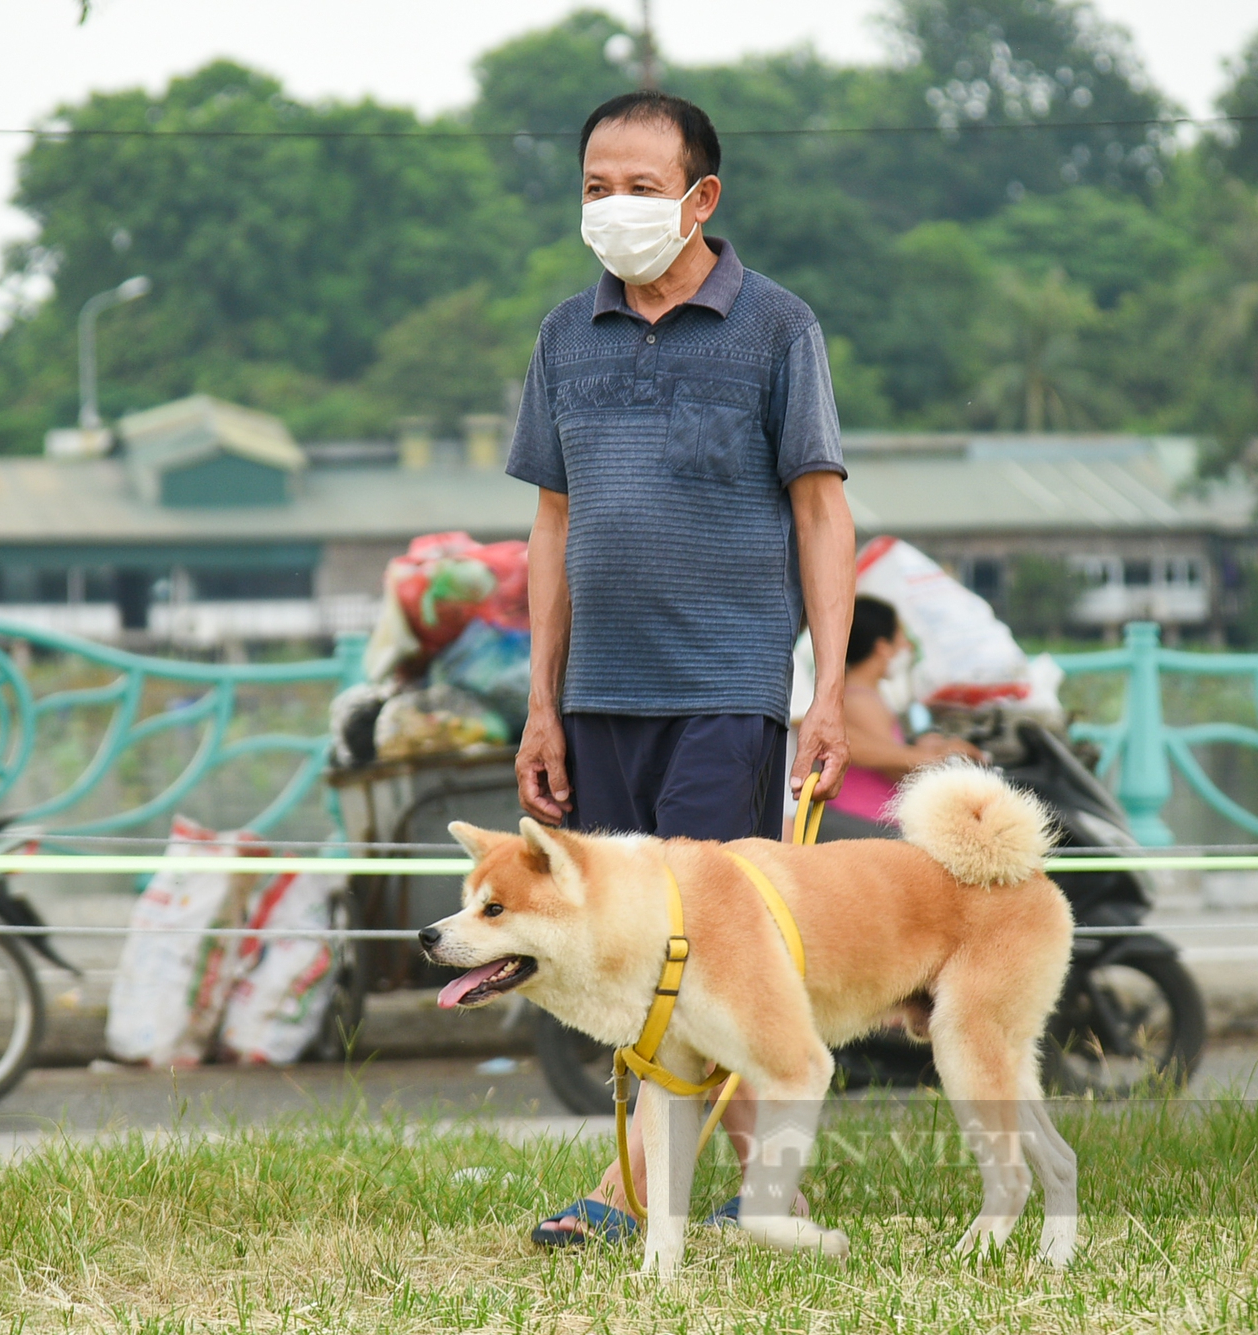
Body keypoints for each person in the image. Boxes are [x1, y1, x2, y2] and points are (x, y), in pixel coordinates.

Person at [507, 91, 857, 1245]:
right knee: (627, 951)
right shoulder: (566, 335)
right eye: (595, 188)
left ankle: (624, 1196)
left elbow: (821, 514)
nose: (614, 208)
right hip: (596, 696)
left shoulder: (775, 329)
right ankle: (770, 1186)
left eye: (640, 188)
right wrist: (539, 706)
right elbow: (551, 526)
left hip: (723, 690)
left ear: (700, 197)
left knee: (698, 949)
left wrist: (829, 690)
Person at [831, 596, 984, 828]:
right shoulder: (860, 700)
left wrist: (927, 749)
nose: (907, 648)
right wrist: (940, 755)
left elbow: (889, 753)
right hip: (868, 817)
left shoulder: (863, 695)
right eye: (901, 639)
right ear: (882, 647)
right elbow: (892, 766)